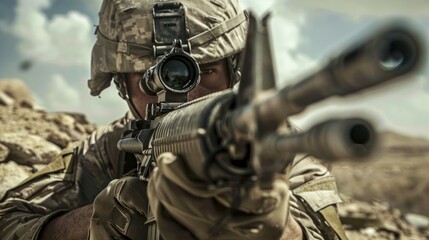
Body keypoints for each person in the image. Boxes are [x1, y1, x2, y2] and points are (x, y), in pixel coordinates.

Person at [0, 0, 348, 239]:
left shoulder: (280, 148)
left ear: (234, 70)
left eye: (207, 71)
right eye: (151, 80)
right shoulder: (110, 148)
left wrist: (269, 226)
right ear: (121, 85)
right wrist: (98, 220)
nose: (185, 95)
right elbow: (8, 223)